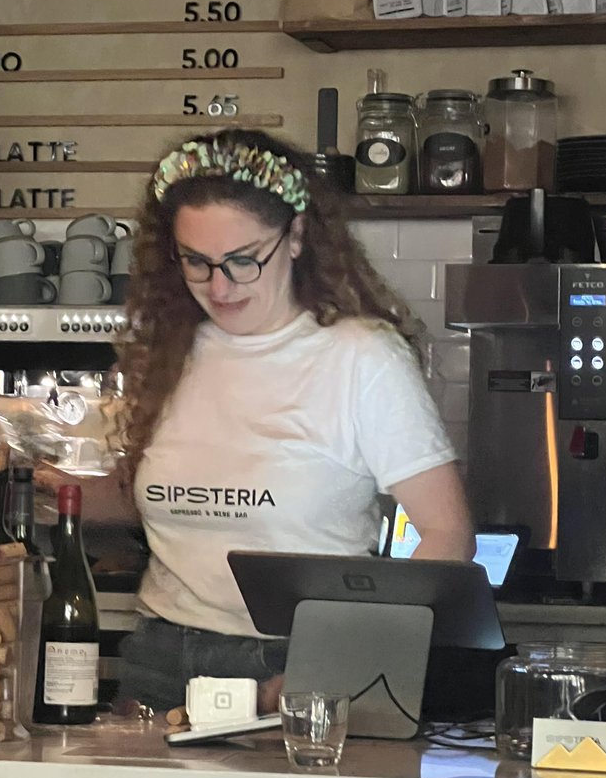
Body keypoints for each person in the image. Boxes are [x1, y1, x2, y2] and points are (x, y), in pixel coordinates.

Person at [40, 129, 474, 713]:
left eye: (243, 260)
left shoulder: (361, 357)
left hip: (294, 660)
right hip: (159, 657)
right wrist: (49, 493)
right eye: (197, 262)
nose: (220, 286)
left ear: (295, 237)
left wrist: (335, 663)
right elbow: (170, 493)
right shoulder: (171, 351)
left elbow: (447, 534)